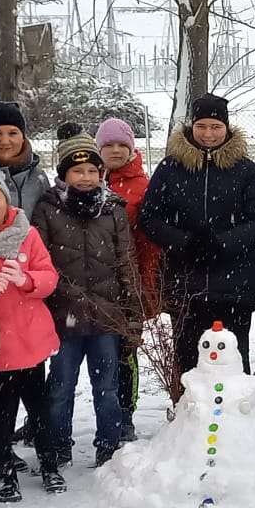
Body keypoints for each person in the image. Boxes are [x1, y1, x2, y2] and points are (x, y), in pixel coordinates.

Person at [34, 131, 142, 471]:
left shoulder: (114, 211)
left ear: (101, 175)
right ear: (63, 175)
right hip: (63, 319)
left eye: (92, 171)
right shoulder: (48, 210)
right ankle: (58, 445)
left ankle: (108, 445)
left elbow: (127, 265)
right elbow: (39, 262)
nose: (85, 177)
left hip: (106, 319)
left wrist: (132, 315)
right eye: (77, 171)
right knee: (61, 387)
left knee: (107, 387)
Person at [139, 93, 255, 373]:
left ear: (227, 128)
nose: (208, 134)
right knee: (189, 364)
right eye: (202, 126)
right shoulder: (171, 168)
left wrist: (222, 244)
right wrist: (185, 243)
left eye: (215, 127)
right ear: (191, 127)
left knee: (233, 360)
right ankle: (191, 414)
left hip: (234, 285)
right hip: (186, 285)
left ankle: (236, 416)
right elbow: (150, 217)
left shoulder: (244, 170)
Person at [0, 169, 60, 502]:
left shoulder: (27, 234)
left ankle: (49, 464)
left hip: (31, 345)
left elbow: (49, 277)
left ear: (6, 200)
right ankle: (3, 472)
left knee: (41, 411)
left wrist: (25, 278)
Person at [97, 116, 156, 432]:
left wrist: (144, 286)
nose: (116, 150)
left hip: (125, 285)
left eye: (123, 145)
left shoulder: (143, 188)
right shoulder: (88, 179)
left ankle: (125, 414)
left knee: (124, 353)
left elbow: (148, 246)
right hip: (90, 284)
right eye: (109, 145)